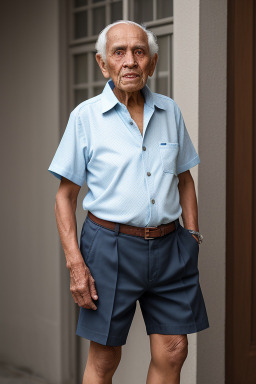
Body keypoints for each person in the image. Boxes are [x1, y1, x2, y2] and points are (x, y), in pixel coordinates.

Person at [48, 19, 209, 384]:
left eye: (139, 52)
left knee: (174, 349)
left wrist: (193, 236)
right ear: (103, 64)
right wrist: (76, 264)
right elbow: (64, 197)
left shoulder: (171, 112)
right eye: (119, 52)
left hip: (171, 247)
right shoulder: (85, 118)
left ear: (152, 62)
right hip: (109, 247)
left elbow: (185, 180)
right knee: (105, 359)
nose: (130, 61)